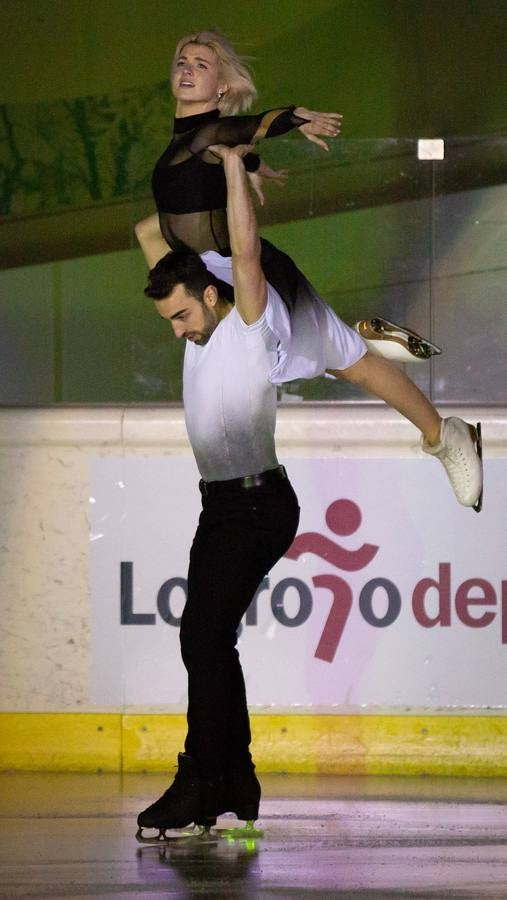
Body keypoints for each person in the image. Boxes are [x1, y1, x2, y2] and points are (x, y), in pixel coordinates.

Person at [135, 30, 482, 511]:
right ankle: (356, 337)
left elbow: (251, 126)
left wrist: (297, 118)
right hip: (204, 275)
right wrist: (250, 165)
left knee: (352, 365)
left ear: (222, 87)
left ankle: (445, 436)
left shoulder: (209, 134)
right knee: (146, 231)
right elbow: (226, 150)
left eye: (201, 64)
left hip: (241, 273)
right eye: (181, 61)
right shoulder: (197, 141)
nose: (187, 69)